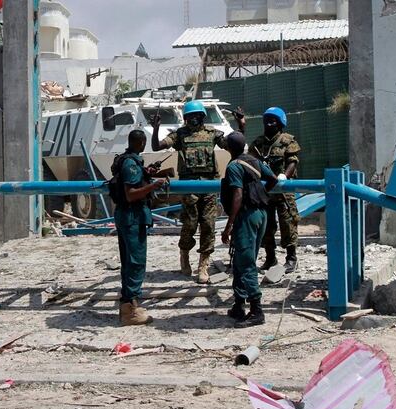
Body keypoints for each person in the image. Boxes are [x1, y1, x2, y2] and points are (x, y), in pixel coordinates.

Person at [151, 100, 245, 284]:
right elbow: (157, 146)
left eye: (197, 116)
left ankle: (204, 264)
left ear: (202, 116)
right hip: (189, 187)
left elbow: (234, 145)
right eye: (190, 116)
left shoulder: (211, 133)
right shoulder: (179, 135)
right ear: (185, 118)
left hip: (209, 186)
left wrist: (241, 126)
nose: (194, 119)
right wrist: (155, 129)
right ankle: (184, 254)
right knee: (190, 224)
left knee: (208, 225)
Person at [110, 130, 169, 326]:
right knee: (135, 262)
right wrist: (154, 185)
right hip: (132, 216)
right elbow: (131, 194)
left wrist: (147, 174)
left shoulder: (130, 161)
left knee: (129, 262)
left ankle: (129, 305)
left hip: (129, 216)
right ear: (142, 142)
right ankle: (130, 310)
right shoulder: (130, 163)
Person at [220, 132, 278, 327]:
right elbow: (273, 180)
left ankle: (256, 310)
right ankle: (239, 304)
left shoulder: (234, 166)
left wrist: (229, 225)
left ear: (228, 148)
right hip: (261, 214)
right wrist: (258, 195)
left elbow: (236, 195)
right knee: (241, 259)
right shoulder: (254, 161)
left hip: (246, 216)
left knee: (245, 263)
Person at [248, 107, 301, 274]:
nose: (269, 123)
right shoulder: (258, 144)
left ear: (280, 123)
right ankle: (270, 258)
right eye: (267, 120)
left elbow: (292, 161)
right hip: (265, 191)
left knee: (288, 223)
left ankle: (291, 258)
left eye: (273, 120)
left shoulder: (287, 141)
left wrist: (284, 176)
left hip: (284, 190)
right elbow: (251, 162)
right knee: (266, 225)